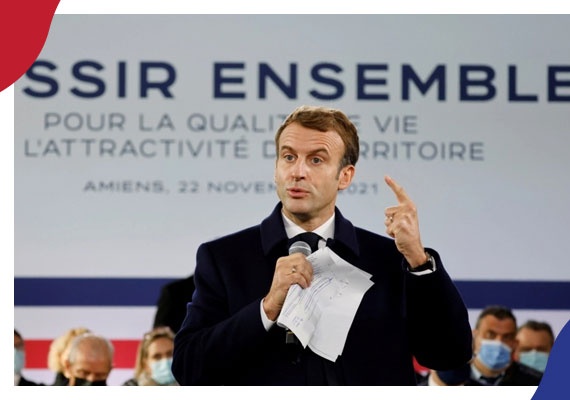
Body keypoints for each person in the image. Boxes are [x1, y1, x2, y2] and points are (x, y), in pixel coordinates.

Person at [172, 105, 472, 385]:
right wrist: (267, 309)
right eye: (288, 157)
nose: (297, 172)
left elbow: (450, 355)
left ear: (345, 176)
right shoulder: (225, 258)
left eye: (316, 160)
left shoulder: (390, 260)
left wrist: (418, 259)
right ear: (276, 168)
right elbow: (188, 368)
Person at [467, 306, 542, 385]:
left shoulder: (536, 382)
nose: (499, 342)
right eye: (491, 334)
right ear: (475, 337)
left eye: (507, 337)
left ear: (515, 344)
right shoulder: (457, 376)